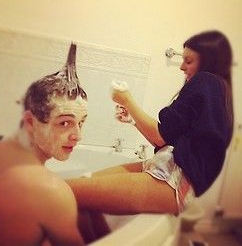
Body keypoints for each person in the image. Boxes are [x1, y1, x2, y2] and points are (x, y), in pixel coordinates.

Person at [66, 30, 234, 240]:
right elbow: (167, 140)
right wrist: (133, 120)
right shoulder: (220, 92)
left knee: (65, 191)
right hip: (164, 169)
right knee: (84, 190)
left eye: (188, 61)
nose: (182, 67)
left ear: (209, 61)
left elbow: (160, 137)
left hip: (172, 180)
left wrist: (128, 100)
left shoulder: (206, 81)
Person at [0, 44, 87, 246]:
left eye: (81, 122)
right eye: (64, 123)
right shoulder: (52, 191)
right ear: (30, 122)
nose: (78, 136)